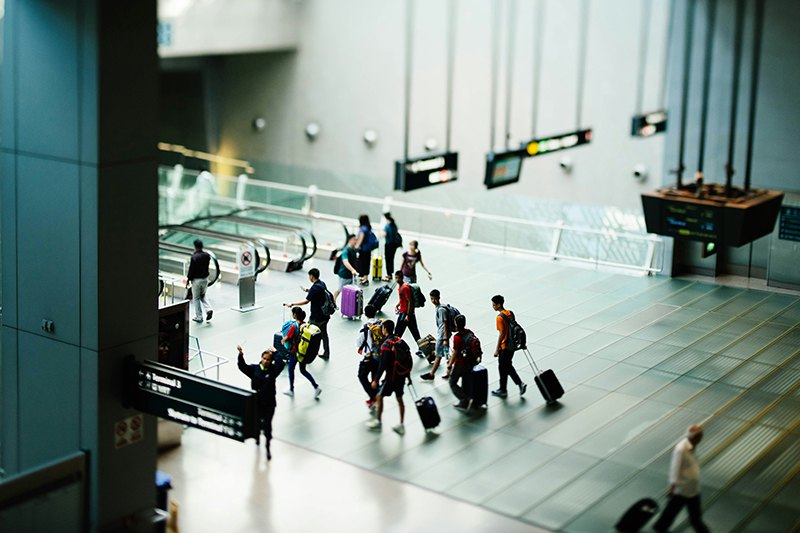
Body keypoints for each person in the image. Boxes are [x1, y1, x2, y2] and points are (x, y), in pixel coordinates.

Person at [653, 426, 710, 533]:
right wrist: (672, 487)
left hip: (692, 489)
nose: (701, 439)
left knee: (672, 513)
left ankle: (659, 527)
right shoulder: (681, 449)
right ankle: (659, 527)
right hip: (682, 489)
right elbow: (675, 468)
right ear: (694, 437)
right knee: (693, 518)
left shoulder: (692, 446)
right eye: (700, 436)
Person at [236, 345, 285, 460]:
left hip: (269, 403)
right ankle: (257, 436)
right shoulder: (254, 369)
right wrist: (240, 355)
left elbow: (281, 364)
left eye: (268, 359)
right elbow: (242, 367)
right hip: (257, 403)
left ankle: (267, 446)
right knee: (257, 422)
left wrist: (276, 353)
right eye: (264, 358)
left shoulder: (273, 371)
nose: (266, 361)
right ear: (261, 358)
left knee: (268, 425)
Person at [367, 320, 411, 435]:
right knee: (400, 399)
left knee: (379, 396)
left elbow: (382, 365)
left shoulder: (386, 345)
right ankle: (401, 424)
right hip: (401, 375)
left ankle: (378, 421)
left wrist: (376, 379)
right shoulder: (399, 341)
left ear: (385, 329)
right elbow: (407, 358)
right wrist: (408, 376)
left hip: (391, 377)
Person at [285, 268, 331, 360]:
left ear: (312, 276)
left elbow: (306, 301)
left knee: (307, 334)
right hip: (325, 315)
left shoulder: (314, 288)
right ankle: (326, 352)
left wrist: (293, 304)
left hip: (316, 317)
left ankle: (306, 352)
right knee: (324, 335)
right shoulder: (321, 283)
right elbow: (318, 292)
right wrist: (308, 290)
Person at [490, 295, 527, 398]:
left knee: (504, 366)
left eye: (494, 305)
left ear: (499, 304)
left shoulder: (499, 318)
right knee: (505, 366)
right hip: (512, 345)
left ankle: (511, 386)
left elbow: (501, 334)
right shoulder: (510, 313)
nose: (493, 307)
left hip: (505, 346)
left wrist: (497, 349)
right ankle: (505, 388)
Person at [281, 307, 322, 399]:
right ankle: (316, 387)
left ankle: (291, 389)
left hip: (294, 352)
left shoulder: (293, 326)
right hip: (303, 351)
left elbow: (286, 338)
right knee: (303, 370)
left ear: (295, 315)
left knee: (291, 369)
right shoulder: (305, 325)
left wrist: (283, 340)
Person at [448, 314, 480, 412]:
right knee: (466, 382)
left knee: (452, 382)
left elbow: (455, 352)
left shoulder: (457, 337)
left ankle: (464, 400)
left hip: (460, 363)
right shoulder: (470, 332)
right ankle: (469, 401)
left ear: (456, 324)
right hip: (470, 362)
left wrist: (450, 364)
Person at [356, 304, 383, 410]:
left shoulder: (365, 327)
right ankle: (375, 398)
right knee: (374, 378)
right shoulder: (381, 324)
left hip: (369, 356)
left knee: (362, 376)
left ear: (365, 314)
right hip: (379, 356)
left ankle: (374, 397)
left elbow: (358, 343)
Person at [420, 289, 451, 380]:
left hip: (442, 337)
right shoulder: (440, 307)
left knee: (439, 355)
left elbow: (445, 323)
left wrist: (445, 339)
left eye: (435, 299)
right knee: (446, 354)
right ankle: (448, 372)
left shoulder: (441, 310)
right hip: (444, 336)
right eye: (432, 299)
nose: (433, 301)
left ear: (439, 298)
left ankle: (431, 374)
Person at [393, 270, 424, 357]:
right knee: (415, 332)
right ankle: (422, 348)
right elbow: (403, 299)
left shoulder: (405, 288)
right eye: (396, 277)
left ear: (402, 278)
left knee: (398, 333)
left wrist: (408, 315)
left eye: (398, 278)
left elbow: (410, 301)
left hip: (405, 314)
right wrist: (398, 304)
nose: (397, 279)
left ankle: (393, 349)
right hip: (407, 313)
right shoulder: (400, 287)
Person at [186, 239, 214, 323]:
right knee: (203, 295)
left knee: (196, 298)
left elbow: (191, 270)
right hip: (205, 279)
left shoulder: (194, 257)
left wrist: (188, 280)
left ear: (195, 247)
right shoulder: (207, 255)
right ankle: (209, 309)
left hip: (196, 280)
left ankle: (199, 316)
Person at [334, 234, 359, 303]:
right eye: (354, 240)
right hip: (344, 275)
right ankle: (333, 300)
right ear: (350, 240)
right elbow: (345, 261)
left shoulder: (353, 249)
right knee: (339, 289)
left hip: (351, 275)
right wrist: (352, 270)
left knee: (352, 289)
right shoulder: (346, 251)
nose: (356, 241)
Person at [354, 214, 377, 285]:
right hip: (368, 249)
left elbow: (361, 238)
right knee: (366, 263)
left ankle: (364, 278)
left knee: (363, 263)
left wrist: (356, 246)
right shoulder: (368, 227)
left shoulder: (363, 229)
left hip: (363, 249)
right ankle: (365, 277)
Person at [382, 212, 402, 281]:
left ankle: (389, 274)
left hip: (388, 244)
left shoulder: (387, 226)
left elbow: (384, 234)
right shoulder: (394, 225)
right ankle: (391, 273)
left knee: (388, 259)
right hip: (394, 244)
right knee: (391, 259)